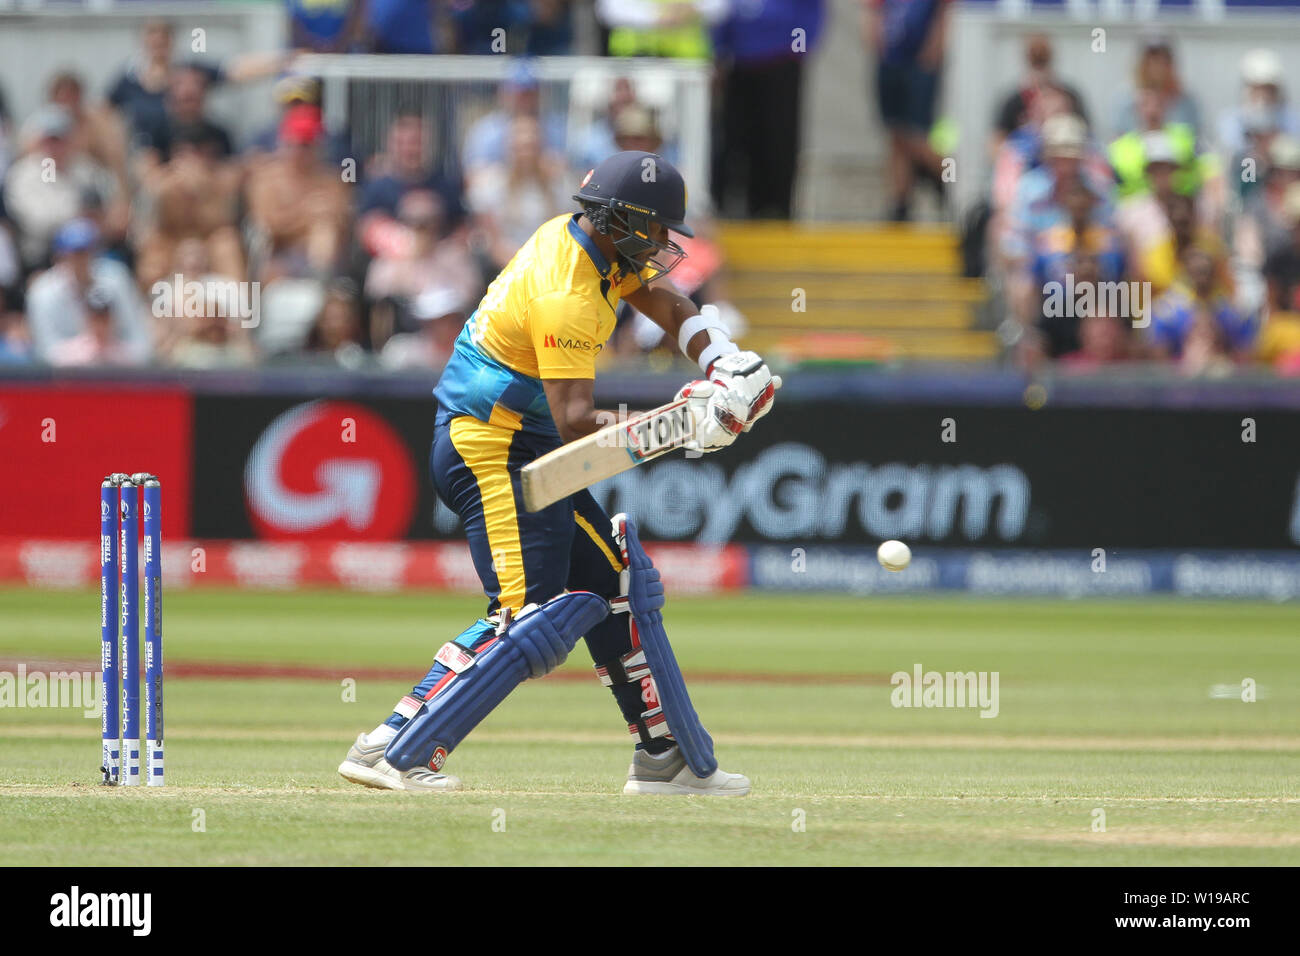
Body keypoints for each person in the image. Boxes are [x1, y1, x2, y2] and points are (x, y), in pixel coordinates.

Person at [337, 151, 777, 794]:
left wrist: (723, 362)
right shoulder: (565, 292)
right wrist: (683, 423)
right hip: (489, 446)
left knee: (617, 586)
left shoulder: (596, 247)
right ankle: (390, 746)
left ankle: (662, 759)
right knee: (529, 615)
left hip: (529, 444)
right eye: (654, 229)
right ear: (620, 221)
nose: (661, 245)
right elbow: (577, 424)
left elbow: (663, 298)